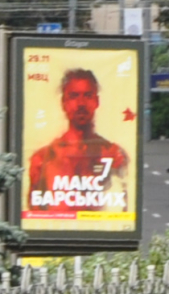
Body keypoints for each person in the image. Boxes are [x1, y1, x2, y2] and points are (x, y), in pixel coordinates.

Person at [21, 68, 131, 215]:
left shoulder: (113, 155)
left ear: (96, 101)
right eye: (73, 96)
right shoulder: (43, 159)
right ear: (64, 102)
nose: (81, 103)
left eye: (88, 95)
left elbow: (123, 209)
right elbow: (34, 212)